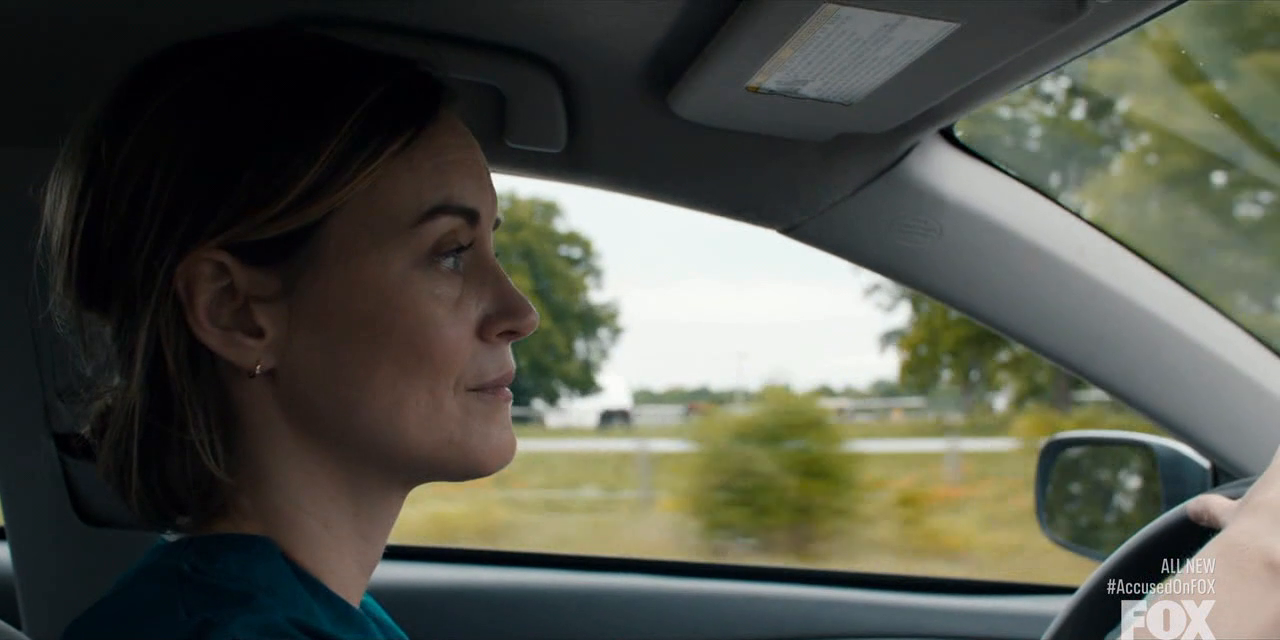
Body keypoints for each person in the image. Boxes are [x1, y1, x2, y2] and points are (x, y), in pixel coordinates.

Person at [42, 25, 538, 640]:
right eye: (451, 253)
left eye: (490, 246)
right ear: (237, 313)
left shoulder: (301, 607)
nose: (520, 312)